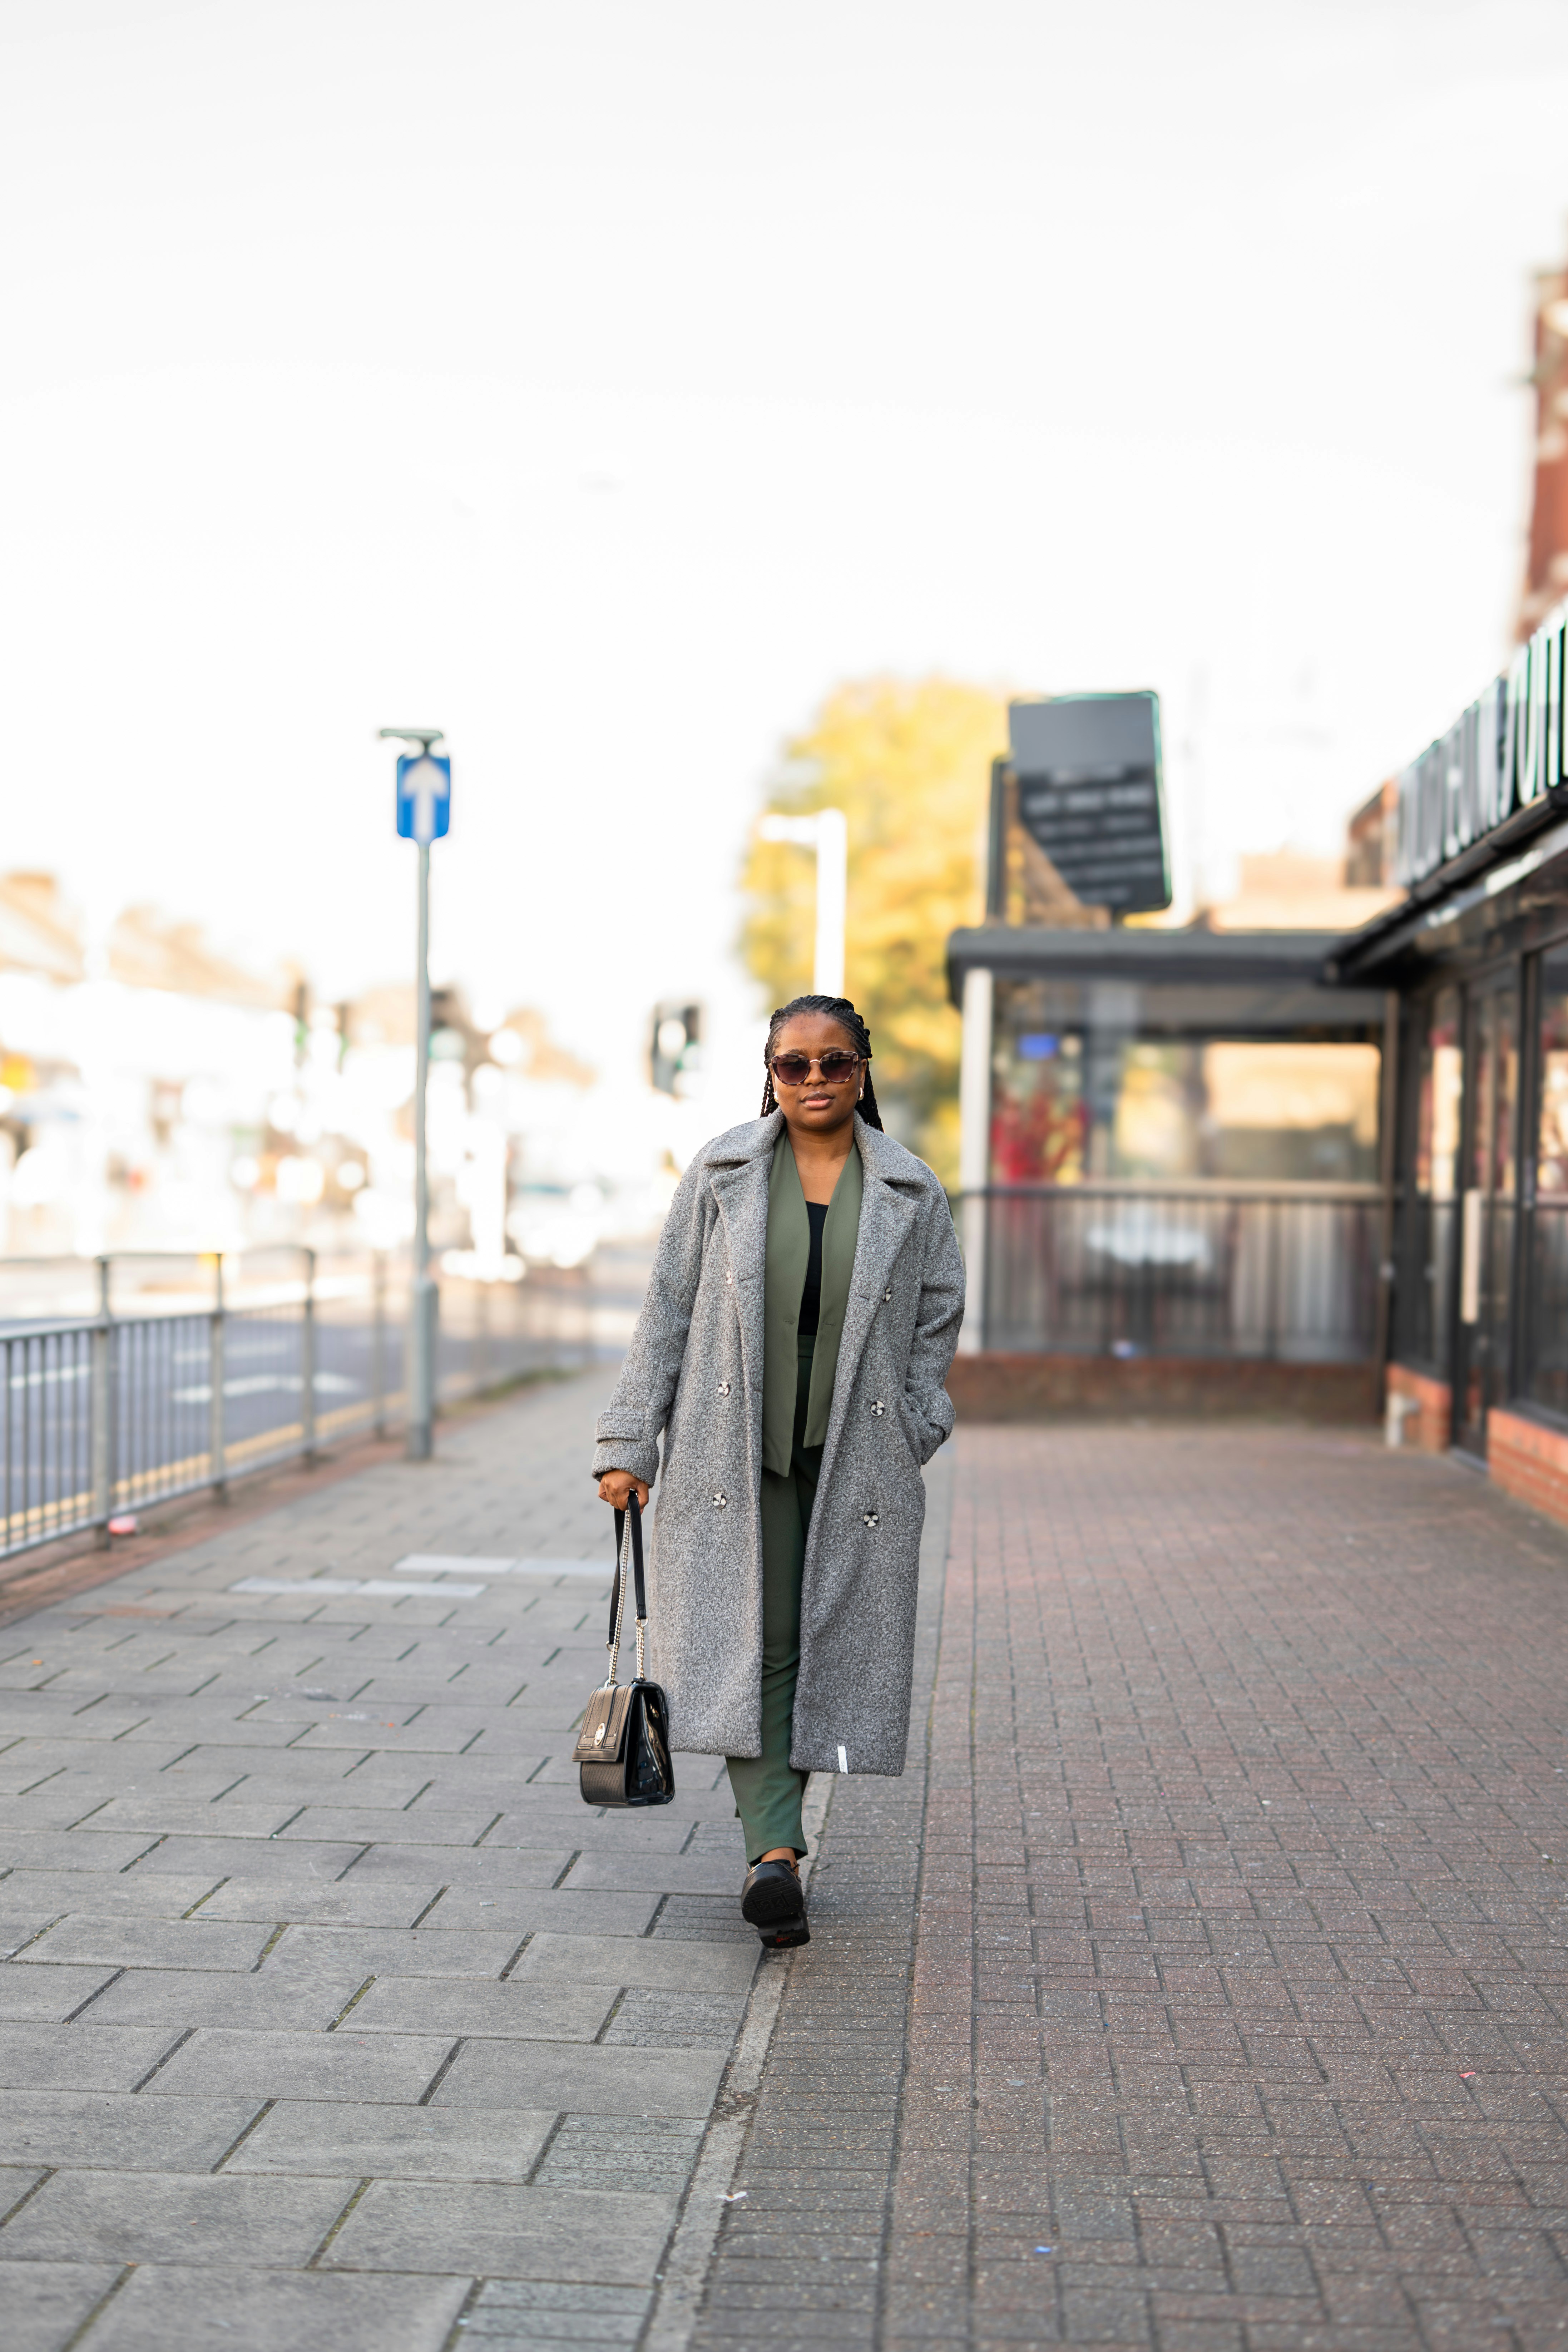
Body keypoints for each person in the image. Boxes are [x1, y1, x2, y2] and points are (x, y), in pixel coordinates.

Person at [592, 994, 966, 1947]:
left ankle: (773, 1849)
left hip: (855, 1465)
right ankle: (774, 1853)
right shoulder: (720, 1173)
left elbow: (936, 1317)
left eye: (832, 1063)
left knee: (817, 1640)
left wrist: (917, 1420)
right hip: (730, 1455)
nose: (812, 1080)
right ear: (768, 1072)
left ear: (861, 1071)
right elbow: (667, 1307)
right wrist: (629, 1444)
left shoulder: (910, 1189)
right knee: (752, 1644)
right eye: (792, 1064)